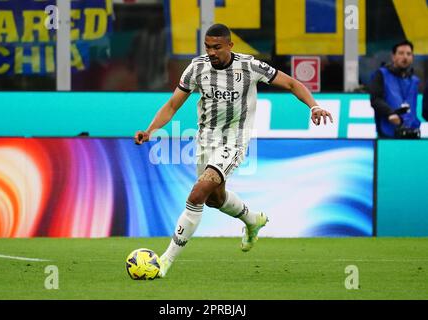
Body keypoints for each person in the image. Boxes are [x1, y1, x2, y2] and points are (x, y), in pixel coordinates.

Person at [134, 24, 333, 278]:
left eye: (217, 47)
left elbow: (293, 84)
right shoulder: (197, 68)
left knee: (197, 195)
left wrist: (314, 107)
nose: (211, 52)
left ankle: (164, 262)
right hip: (205, 142)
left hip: (234, 141)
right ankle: (252, 220)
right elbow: (173, 105)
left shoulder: (250, 67)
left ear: (230, 45)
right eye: (207, 47)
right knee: (214, 199)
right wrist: (150, 130)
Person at [369, 40, 421, 139]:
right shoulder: (381, 74)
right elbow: (375, 99)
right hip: (388, 131)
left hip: (412, 132)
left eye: (408, 54)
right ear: (393, 56)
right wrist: (390, 113)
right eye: (401, 53)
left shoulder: (414, 80)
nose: (405, 57)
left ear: (412, 57)